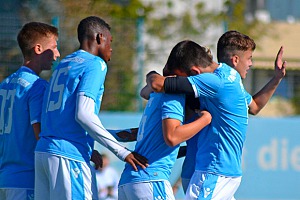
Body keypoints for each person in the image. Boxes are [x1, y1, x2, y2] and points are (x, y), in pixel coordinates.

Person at [146, 32, 286, 199]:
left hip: (213, 170)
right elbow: (254, 107)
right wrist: (276, 78)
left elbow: (154, 84)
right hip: (220, 171)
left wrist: (152, 73)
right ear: (235, 60)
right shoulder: (230, 77)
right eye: (249, 58)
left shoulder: (216, 82)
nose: (251, 63)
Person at [34, 16, 148, 200]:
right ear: (99, 38)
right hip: (68, 155)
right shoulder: (95, 64)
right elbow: (83, 115)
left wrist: (120, 134)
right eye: (110, 42)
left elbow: (67, 120)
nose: (111, 48)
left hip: (44, 153)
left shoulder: (64, 63)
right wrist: (122, 151)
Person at [118, 40, 212, 200]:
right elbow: (172, 137)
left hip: (128, 182)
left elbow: (145, 90)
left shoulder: (156, 94)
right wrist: (205, 119)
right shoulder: (173, 95)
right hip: (151, 180)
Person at [0, 22, 60, 200]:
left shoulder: (4, 85)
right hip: (27, 180)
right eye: (54, 47)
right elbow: (40, 134)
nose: (57, 54)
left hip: (5, 178)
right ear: (38, 48)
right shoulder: (37, 86)